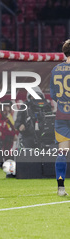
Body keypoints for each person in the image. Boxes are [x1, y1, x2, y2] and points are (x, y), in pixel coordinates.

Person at [50, 39, 70, 196]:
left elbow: (53, 95)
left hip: (62, 116)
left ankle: (61, 188)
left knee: (62, 152)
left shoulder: (56, 69)